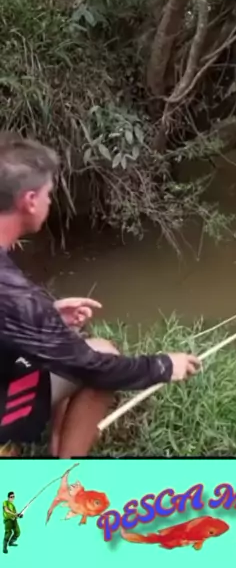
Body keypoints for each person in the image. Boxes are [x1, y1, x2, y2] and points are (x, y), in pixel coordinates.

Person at [0, 132, 201, 458]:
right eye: (49, 194)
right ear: (30, 200)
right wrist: (164, 366)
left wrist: (47, 314)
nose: (51, 202)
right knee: (102, 356)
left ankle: (56, 447)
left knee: (66, 340)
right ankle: (64, 475)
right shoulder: (13, 294)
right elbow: (93, 367)